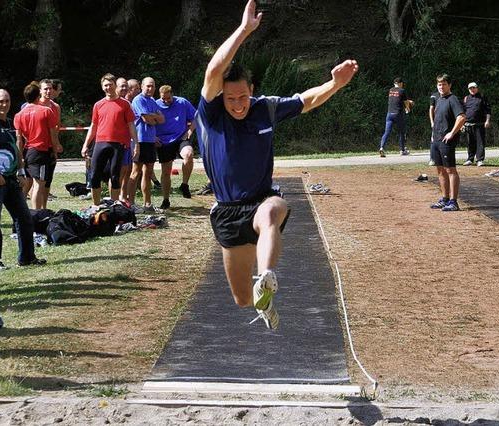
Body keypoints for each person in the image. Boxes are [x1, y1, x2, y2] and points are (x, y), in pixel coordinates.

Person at [195, 0, 358, 330]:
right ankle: (261, 300)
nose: (238, 105)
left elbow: (306, 100)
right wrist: (244, 31)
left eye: (243, 97)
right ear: (220, 98)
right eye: (231, 100)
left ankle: (266, 276)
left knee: (273, 210)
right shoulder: (211, 114)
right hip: (227, 209)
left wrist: (336, 84)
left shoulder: (264, 108)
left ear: (251, 91)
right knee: (241, 299)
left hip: (260, 200)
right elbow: (214, 71)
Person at [0, 89, 46, 270]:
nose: (4, 104)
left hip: (11, 179)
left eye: (7, 101)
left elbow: (16, 149)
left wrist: (21, 171)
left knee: (24, 217)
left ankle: (27, 257)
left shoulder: (10, 123)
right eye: (1, 101)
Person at [81, 74, 139, 206]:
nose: (108, 87)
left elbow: (131, 125)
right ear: (102, 87)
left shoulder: (125, 104)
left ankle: (113, 206)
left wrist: (136, 144)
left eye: (110, 85)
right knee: (95, 175)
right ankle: (96, 206)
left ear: (115, 86)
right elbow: (93, 126)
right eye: (105, 85)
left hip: (118, 144)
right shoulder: (98, 105)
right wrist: (86, 144)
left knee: (115, 176)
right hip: (100, 143)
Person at [14, 82, 63, 209]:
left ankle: (22, 211)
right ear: (38, 95)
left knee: (28, 184)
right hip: (42, 151)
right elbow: (53, 133)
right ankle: (37, 214)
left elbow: (19, 140)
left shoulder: (19, 115)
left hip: (28, 150)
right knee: (39, 184)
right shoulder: (46, 111)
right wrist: (55, 150)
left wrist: (20, 157)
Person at [155, 85, 196, 209]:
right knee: (166, 171)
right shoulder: (155, 105)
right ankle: (166, 200)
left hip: (180, 137)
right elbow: (148, 121)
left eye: (168, 98)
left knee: (188, 154)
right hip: (164, 141)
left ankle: (184, 184)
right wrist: (153, 137)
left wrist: (190, 130)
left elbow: (196, 117)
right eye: (164, 99)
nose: (166, 101)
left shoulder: (182, 102)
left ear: (172, 94)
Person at [429, 74, 466, 212]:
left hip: (446, 141)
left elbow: (462, 117)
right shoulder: (439, 99)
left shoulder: (453, 99)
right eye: (439, 84)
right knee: (440, 170)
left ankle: (453, 202)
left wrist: (452, 133)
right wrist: (433, 135)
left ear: (449, 85)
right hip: (436, 140)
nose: (441, 87)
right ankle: (444, 199)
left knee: (450, 170)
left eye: (444, 84)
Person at [128, 77, 164, 212]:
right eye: (148, 86)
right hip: (139, 141)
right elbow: (147, 119)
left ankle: (147, 204)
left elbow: (161, 119)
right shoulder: (138, 100)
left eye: (153, 86)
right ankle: (130, 203)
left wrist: (153, 117)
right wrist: (153, 117)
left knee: (148, 173)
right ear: (142, 86)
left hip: (150, 141)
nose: (150, 89)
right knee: (135, 172)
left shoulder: (153, 101)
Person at [379, 77, 411, 157]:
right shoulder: (402, 90)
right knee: (401, 132)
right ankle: (402, 150)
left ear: (394, 83)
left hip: (389, 114)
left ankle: (382, 147)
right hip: (398, 114)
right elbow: (405, 102)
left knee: (387, 132)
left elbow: (396, 99)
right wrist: (408, 108)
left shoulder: (391, 90)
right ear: (400, 83)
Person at [462, 82, 491, 167]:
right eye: (470, 88)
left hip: (480, 124)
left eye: (473, 88)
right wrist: (462, 124)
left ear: (477, 88)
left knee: (480, 142)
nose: (472, 90)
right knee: (470, 143)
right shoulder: (466, 98)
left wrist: (487, 121)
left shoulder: (482, 97)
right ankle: (470, 159)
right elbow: (463, 112)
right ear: (468, 90)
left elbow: (488, 110)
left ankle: (480, 160)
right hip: (468, 124)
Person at [428, 90, 439, 166]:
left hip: (445, 123)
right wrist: (432, 122)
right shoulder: (434, 96)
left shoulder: (450, 97)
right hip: (436, 122)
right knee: (433, 140)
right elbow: (431, 109)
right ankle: (432, 159)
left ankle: (442, 159)